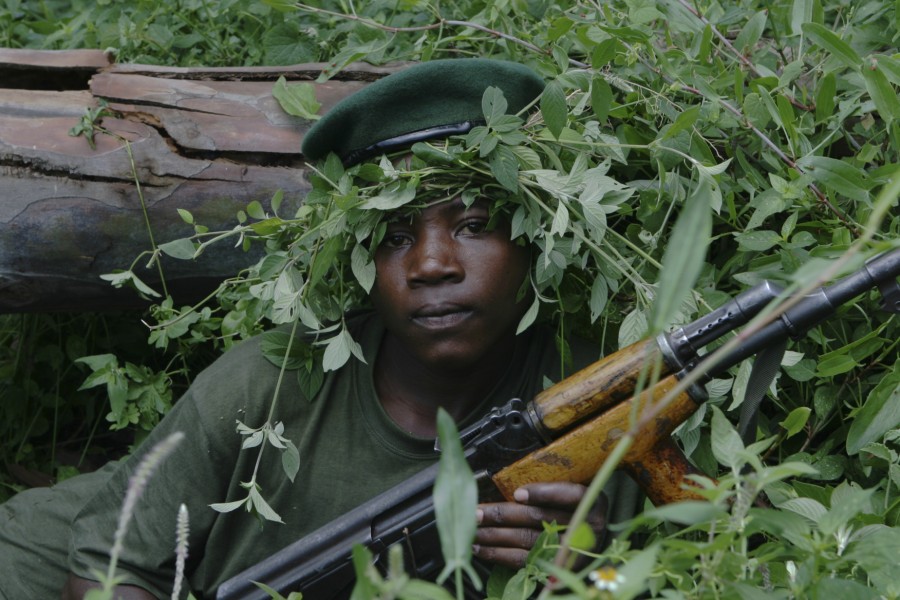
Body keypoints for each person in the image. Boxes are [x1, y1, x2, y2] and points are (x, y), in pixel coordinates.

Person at [0, 58, 641, 599]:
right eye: (394, 237)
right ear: (361, 264)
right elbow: (107, 569)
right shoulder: (271, 382)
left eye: (473, 225)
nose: (432, 265)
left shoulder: (594, 397)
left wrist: (591, 576)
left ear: (536, 236)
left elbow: (678, 568)